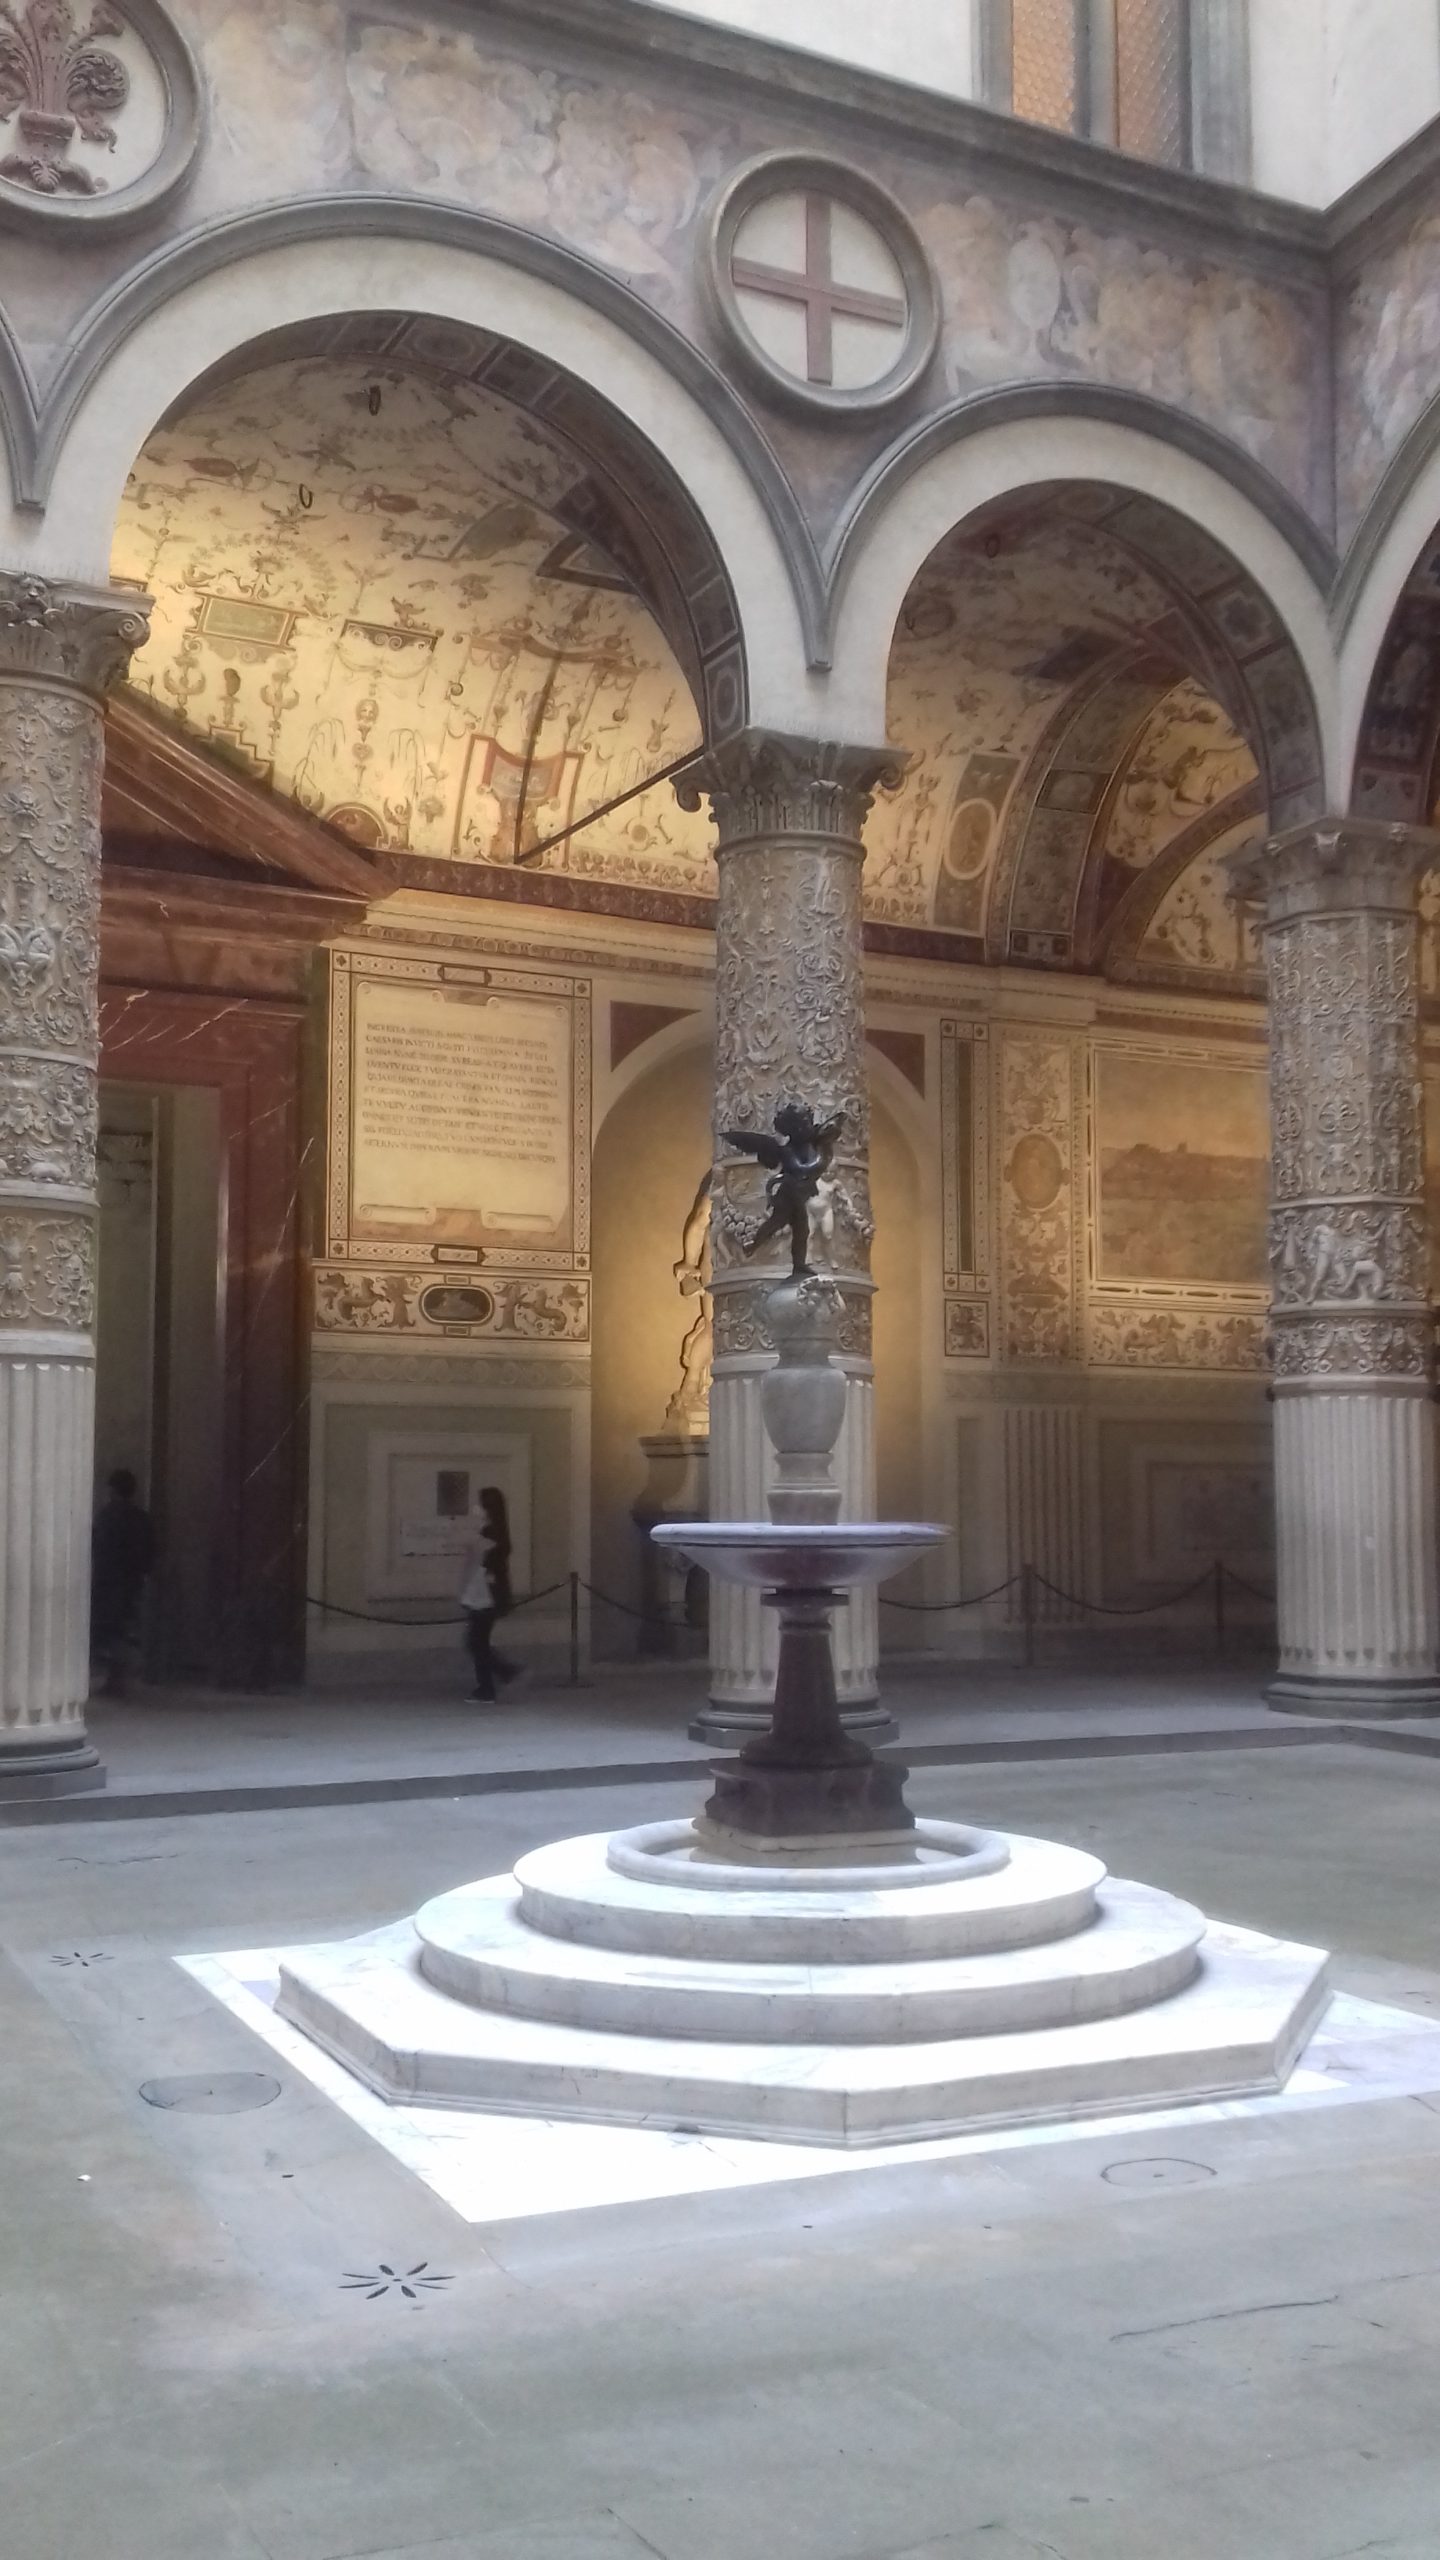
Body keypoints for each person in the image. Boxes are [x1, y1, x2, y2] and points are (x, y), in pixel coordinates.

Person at [90, 1469, 157, 1699]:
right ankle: (120, 1678)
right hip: (132, 1583)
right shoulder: (142, 1519)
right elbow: (150, 1552)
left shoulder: (107, 1516)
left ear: (112, 1490)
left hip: (109, 1583)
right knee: (125, 1630)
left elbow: (99, 1548)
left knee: (108, 1632)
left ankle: (116, 1679)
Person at [459, 1485, 521, 1704]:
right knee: (477, 1641)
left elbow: (482, 1562)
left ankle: (491, 1684)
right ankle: (500, 1676)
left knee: (476, 1641)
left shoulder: (490, 1532)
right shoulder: (496, 1531)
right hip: (488, 1594)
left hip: (485, 1595)